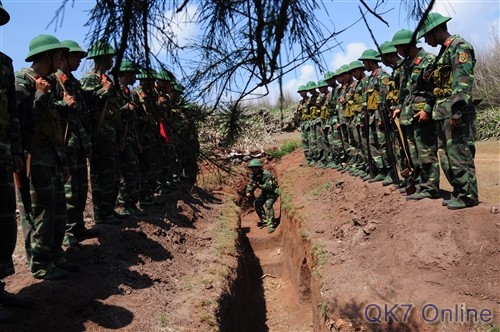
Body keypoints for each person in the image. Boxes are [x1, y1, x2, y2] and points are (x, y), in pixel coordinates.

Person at [15, 34, 77, 280]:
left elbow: (53, 123)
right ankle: (40, 263)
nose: (61, 60)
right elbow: (21, 123)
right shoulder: (23, 82)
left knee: (57, 209)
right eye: (59, 56)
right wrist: (39, 97)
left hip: (51, 157)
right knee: (40, 212)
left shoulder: (47, 83)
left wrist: (62, 160)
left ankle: (55, 255)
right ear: (47, 56)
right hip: (34, 159)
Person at [418, 13, 479, 209]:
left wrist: (457, 111)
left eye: (427, 36)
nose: (426, 41)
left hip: (455, 112)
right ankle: (459, 192)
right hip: (441, 113)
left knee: (460, 154)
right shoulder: (442, 54)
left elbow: (463, 82)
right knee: (446, 157)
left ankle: (468, 196)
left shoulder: (459, 47)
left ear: (437, 30)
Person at [0, 1, 33, 321]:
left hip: (2, 153)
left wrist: (16, 152)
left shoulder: (4, 64)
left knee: (4, 220)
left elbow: (12, 116)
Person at [53, 40, 100, 247]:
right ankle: (67, 232)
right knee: (68, 190)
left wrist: (87, 140)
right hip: (65, 143)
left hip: (79, 142)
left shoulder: (74, 83)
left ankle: (78, 226)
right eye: (76, 58)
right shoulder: (55, 81)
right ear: (63, 58)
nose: (79, 61)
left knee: (81, 188)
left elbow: (82, 115)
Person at [390, 29, 440, 200]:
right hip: (408, 116)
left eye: (398, 47)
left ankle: (431, 188)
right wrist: (398, 107)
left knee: (426, 153)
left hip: (422, 115)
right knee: (413, 154)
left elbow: (436, 88)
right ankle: (419, 184)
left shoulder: (429, 60)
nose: (397, 51)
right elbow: (403, 92)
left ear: (406, 46)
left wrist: (427, 108)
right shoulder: (405, 65)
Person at [81, 41, 123, 224]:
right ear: (102, 59)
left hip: (111, 133)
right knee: (101, 175)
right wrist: (104, 91)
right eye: (110, 58)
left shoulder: (107, 79)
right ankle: (101, 213)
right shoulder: (90, 79)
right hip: (99, 134)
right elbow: (88, 104)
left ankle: (109, 209)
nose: (112, 61)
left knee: (113, 175)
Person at [245, 159, 280, 233]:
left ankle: (271, 225)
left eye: (255, 167)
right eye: (252, 168)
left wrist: (259, 186)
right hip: (265, 192)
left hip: (272, 192)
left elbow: (269, 187)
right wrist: (249, 191)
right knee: (257, 203)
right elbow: (250, 184)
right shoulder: (253, 175)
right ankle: (265, 221)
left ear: (259, 167)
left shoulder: (266, 174)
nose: (253, 169)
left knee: (268, 205)